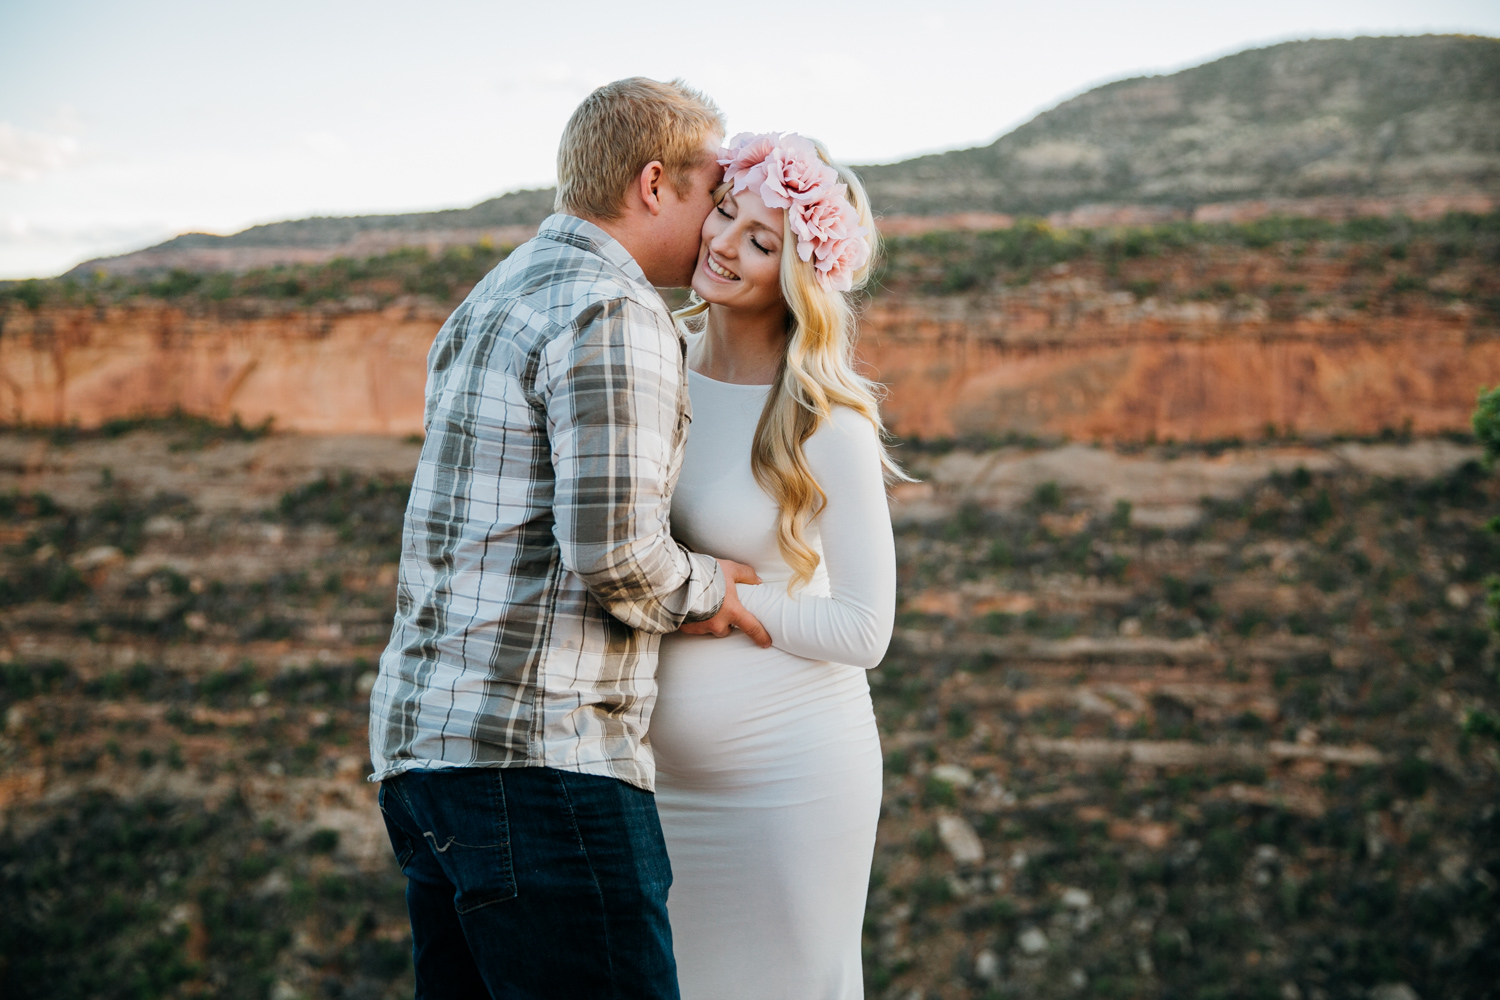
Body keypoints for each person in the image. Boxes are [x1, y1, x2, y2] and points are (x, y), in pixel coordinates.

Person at [367, 78, 770, 1000]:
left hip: (426, 764)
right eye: (713, 194)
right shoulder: (613, 308)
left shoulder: (496, 292)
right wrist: (715, 589)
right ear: (655, 182)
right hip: (542, 765)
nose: (716, 223)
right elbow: (615, 553)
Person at [650, 132, 902, 999]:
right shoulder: (653, 368)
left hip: (792, 783)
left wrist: (728, 599)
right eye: (726, 211)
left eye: (761, 241)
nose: (723, 243)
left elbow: (866, 630)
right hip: (653, 783)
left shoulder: (827, 421)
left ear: (796, 279)